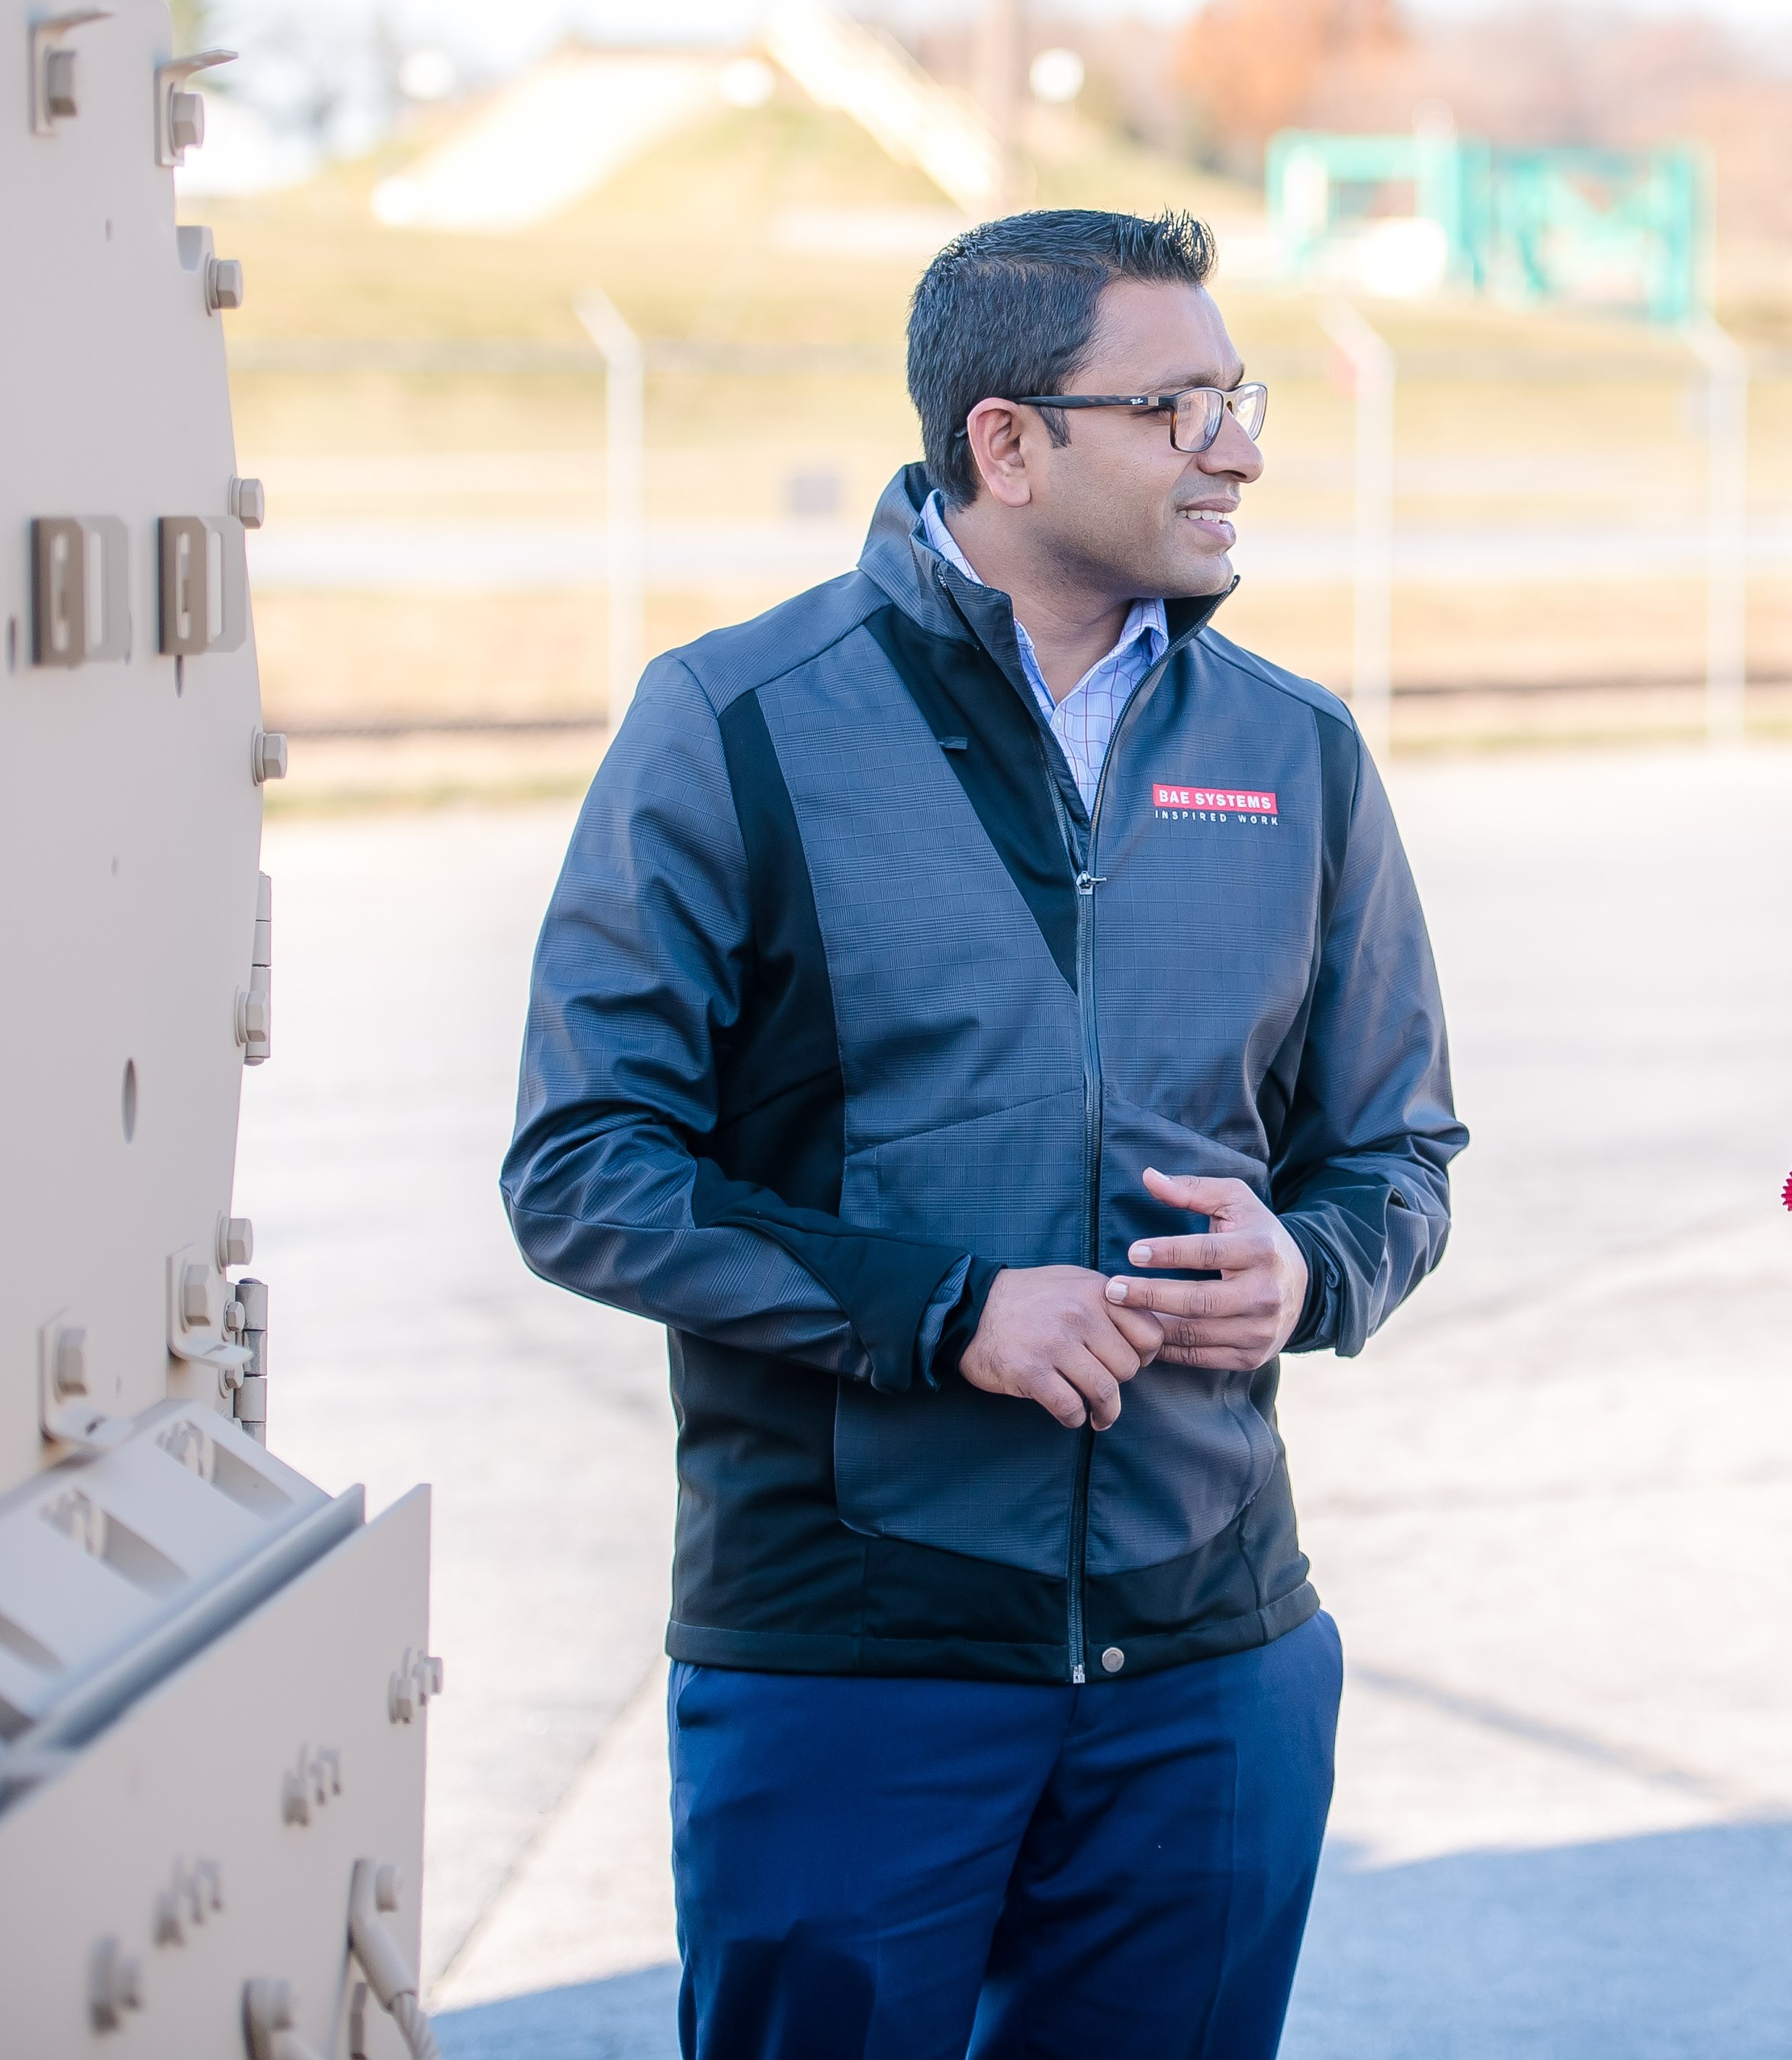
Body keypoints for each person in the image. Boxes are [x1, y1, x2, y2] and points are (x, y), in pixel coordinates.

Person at [503, 209, 1461, 2060]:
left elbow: (1398, 1152)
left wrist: (1312, 1270)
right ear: (1005, 443)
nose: (1241, 447)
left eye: (1237, 398)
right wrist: (949, 1312)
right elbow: (581, 1168)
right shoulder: (740, 722)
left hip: (1214, 1661)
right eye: (1180, 406)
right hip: (857, 1669)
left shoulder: (1295, 750)